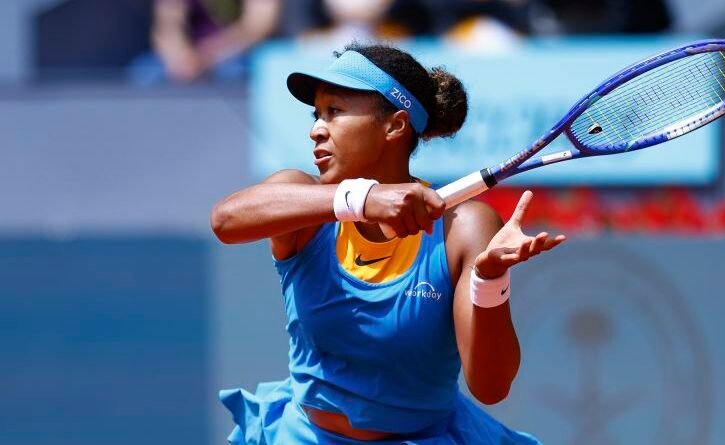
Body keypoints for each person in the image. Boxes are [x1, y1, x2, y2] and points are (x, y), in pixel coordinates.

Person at [211, 42, 566, 444]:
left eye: (334, 111)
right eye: (317, 114)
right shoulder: (303, 201)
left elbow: (491, 387)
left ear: (395, 126)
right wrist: (362, 199)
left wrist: (489, 282)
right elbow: (226, 220)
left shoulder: (464, 228)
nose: (316, 129)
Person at [143, 0, 281, 83]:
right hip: (192, 56)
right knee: (146, 73)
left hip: (241, 52)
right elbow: (169, 24)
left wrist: (208, 57)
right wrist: (178, 57)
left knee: (234, 73)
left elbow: (257, 26)